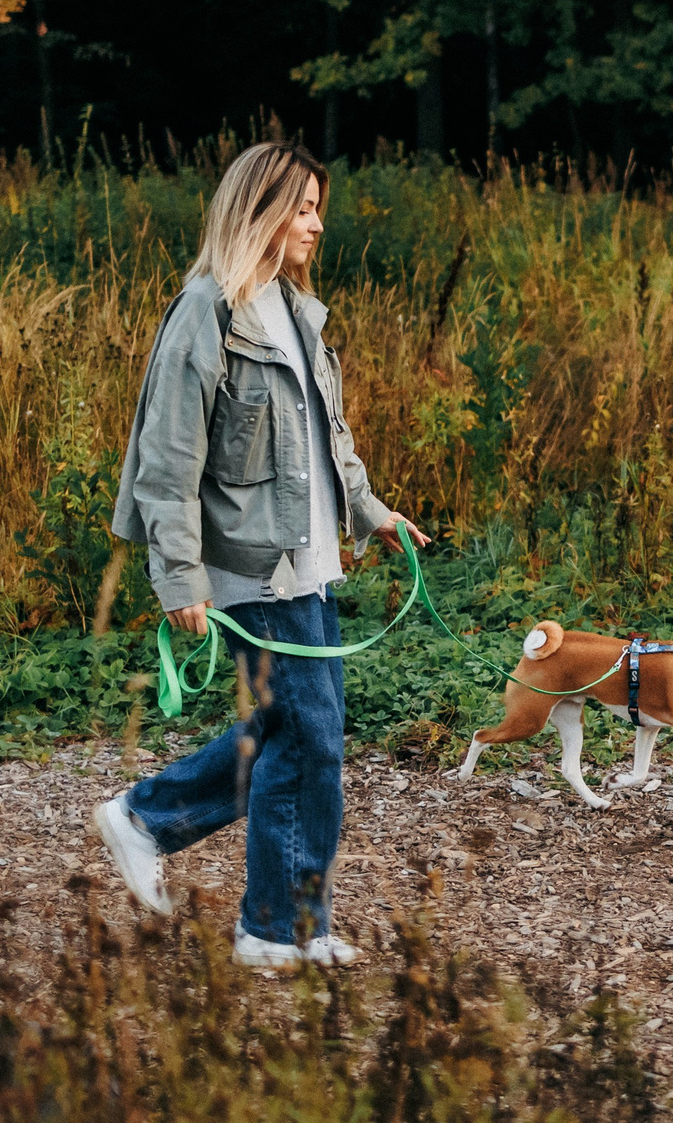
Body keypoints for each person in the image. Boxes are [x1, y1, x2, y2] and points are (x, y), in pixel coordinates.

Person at [91, 142, 428, 969]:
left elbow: (326, 441)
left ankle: (146, 820)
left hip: (308, 560)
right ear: (258, 211)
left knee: (291, 732)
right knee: (311, 737)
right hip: (248, 567)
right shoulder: (205, 313)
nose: (318, 221)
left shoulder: (296, 311)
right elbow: (167, 465)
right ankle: (274, 928)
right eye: (303, 206)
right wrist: (179, 576)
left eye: (318, 205)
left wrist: (373, 512)